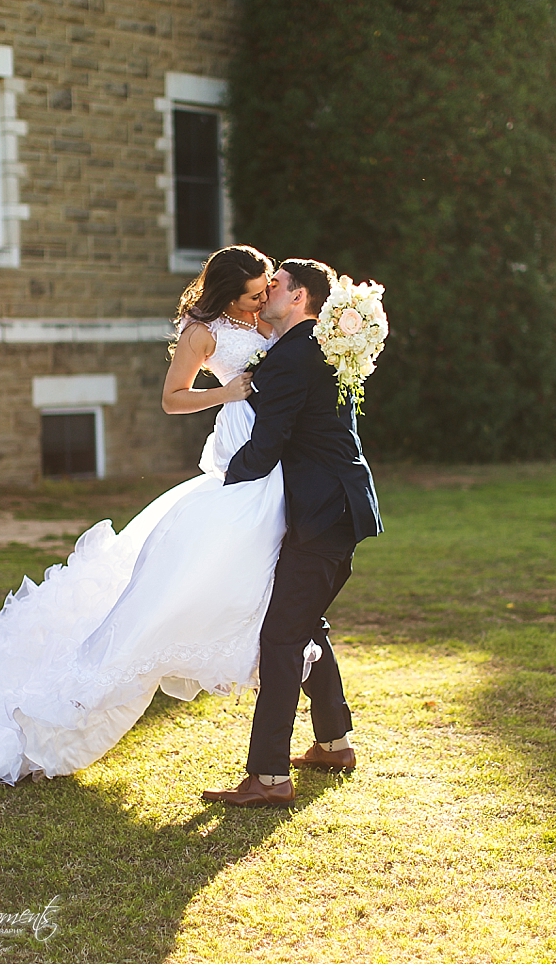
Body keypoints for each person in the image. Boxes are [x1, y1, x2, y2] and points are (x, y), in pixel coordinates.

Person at [0, 245, 293, 795]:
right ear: (228, 292)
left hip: (273, 438)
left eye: (266, 290)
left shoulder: (260, 315)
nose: (263, 301)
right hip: (240, 430)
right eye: (254, 293)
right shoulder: (203, 334)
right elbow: (171, 399)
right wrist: (226, 391)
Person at [202, 260, 383, 809]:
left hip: (323, 513)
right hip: (339, 506)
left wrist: (218, 486)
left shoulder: (292, 357)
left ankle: (269, 778)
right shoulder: (319, 346)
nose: (266, 291)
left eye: (276, 284)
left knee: (281, 636)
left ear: (300, 297)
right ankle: (334, 742)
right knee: (304, 624)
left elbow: (268, 446)